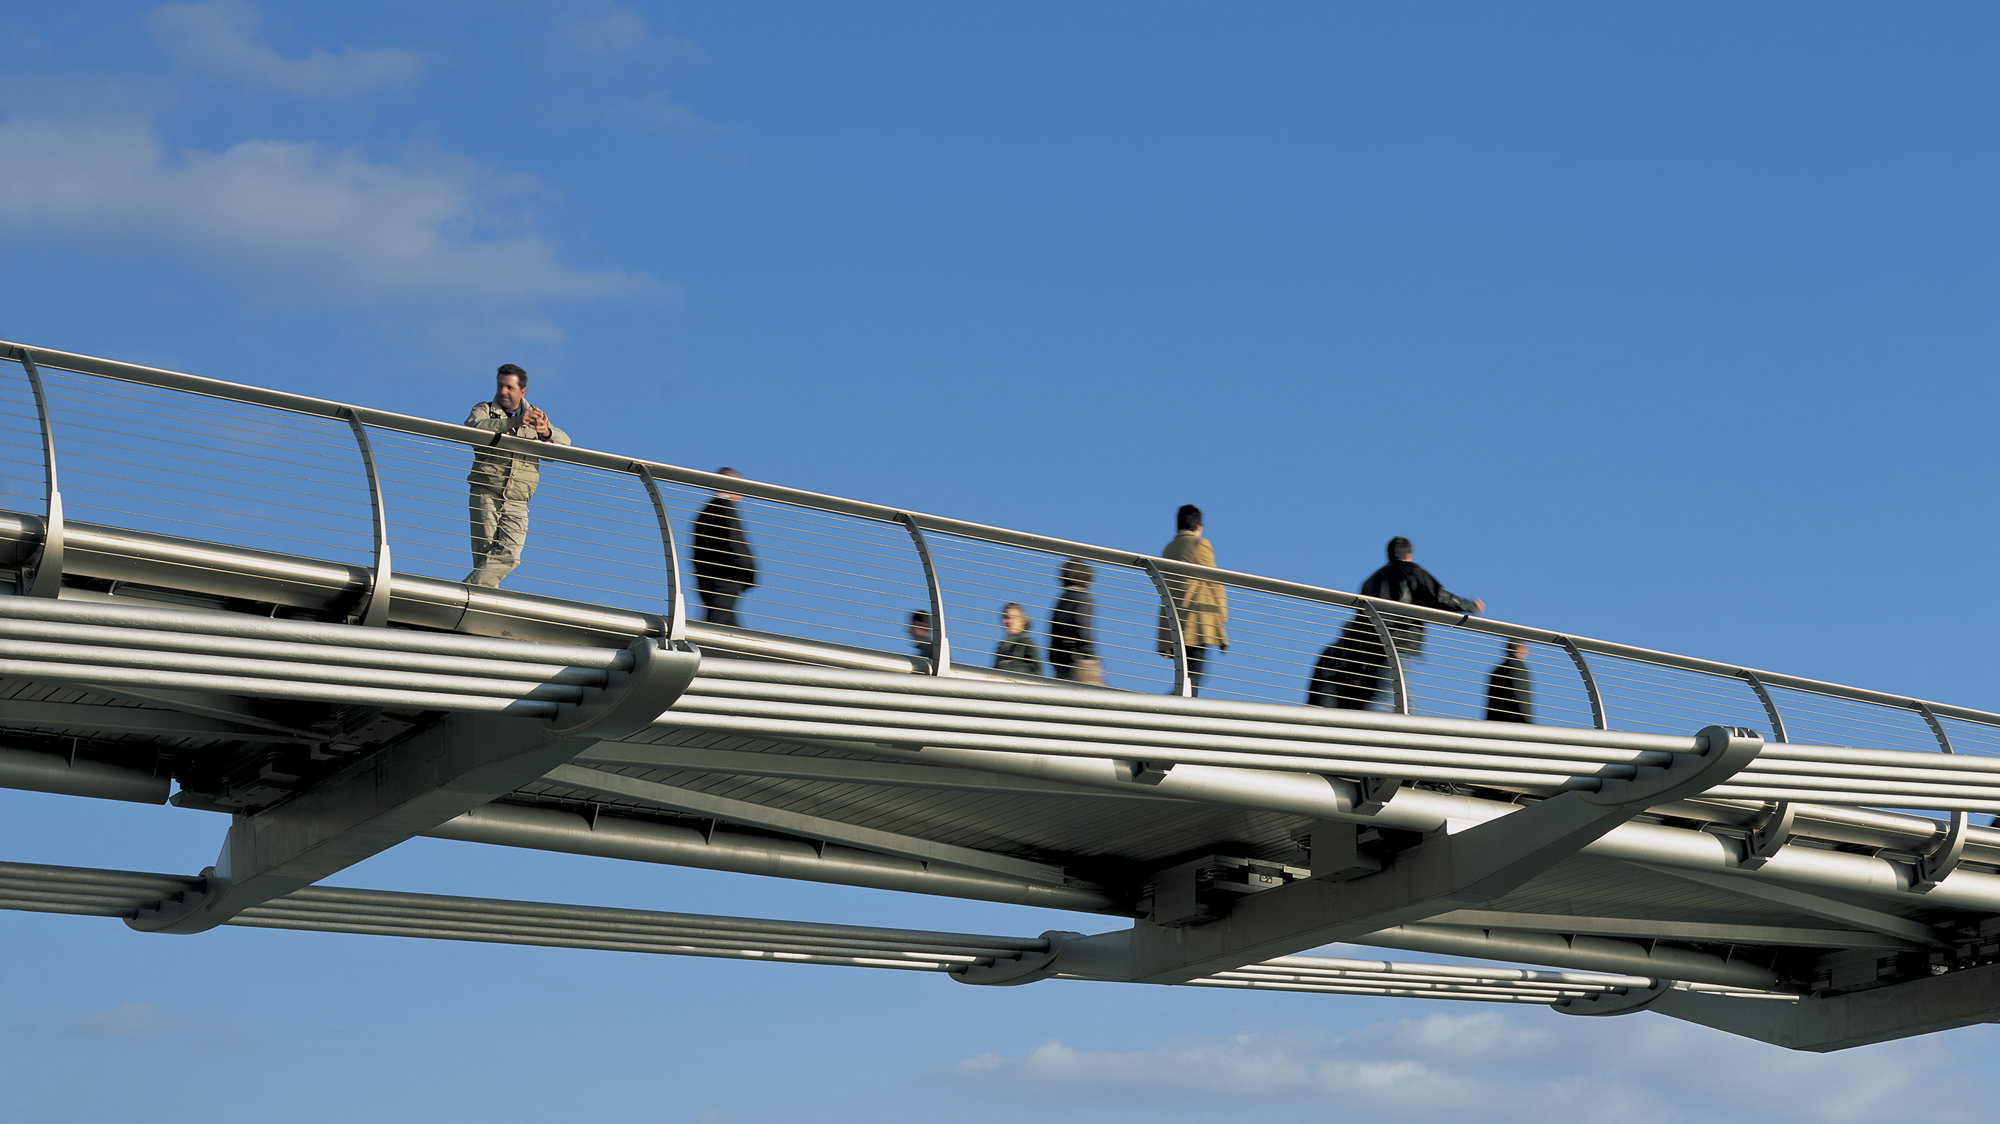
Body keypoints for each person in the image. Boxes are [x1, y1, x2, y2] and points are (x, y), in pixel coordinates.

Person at [1309, 537, 1483, 710]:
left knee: (1405, 699)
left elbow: (1359, 624)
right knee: (1387, 697)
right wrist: (1470, 605)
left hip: (1372, 647)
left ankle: (1409, 727)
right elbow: (1438, 596)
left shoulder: (1370, 581)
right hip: (1398, 642)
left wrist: (1356, 662)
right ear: (1409, 555)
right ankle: (1370, 725)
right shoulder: (1411, 571)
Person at [463, 363, 570, 587]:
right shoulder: (484, 409)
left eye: (509, 387)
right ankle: (476, 601)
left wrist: (546, 432)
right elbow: (473, 430)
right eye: (500, 386)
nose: (503, 391)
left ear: (522, 391)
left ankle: (462, 595)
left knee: (510, 555)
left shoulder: (537, 415)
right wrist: (513, 422)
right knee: (485, 559)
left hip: (518, 500)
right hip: (486, 492)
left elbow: (564, 445)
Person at [1157, 504, 1226, 696]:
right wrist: (1221, 617)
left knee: (1185, 677)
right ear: (1198, 527)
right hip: (1197, 622)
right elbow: (1214, 580)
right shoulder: (1200, 544)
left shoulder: (1168, 548)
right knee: (1193, 679)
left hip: (1174, 621)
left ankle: (1166, 707)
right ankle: (1162, 708)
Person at [691, 468, 757, 626]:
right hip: (725, 578)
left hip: (710, 579)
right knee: (717, 624)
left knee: (727, 624)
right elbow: (734, 540)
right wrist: (748, 571)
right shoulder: (723, 508)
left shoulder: (706, 511)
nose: (742, 494)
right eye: (740, 486)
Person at [1047, 558, 1103, 686]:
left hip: (1061, 663)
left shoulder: (1061, 600)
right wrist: (1091, 656)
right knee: (1095, 696)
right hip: (1081, 661)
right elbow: (1083, 629)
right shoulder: (1083, 598)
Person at [1485, 640, 1533, 722]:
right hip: (1515, 721)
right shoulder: (1518, 668)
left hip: (1496, 722)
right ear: (1518, 647)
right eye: (1526, 648)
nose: (1528, 652)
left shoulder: (1497, 670)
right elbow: (1521, 697)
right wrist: (1528, 723)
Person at [993, 602, 1043, 676]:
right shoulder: (1001, 646)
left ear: (1022, 621)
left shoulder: (1026, 642)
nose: (1006, 621)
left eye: (1012, 617)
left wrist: (1009, 666)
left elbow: (1037, 670)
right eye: (1005, 617)